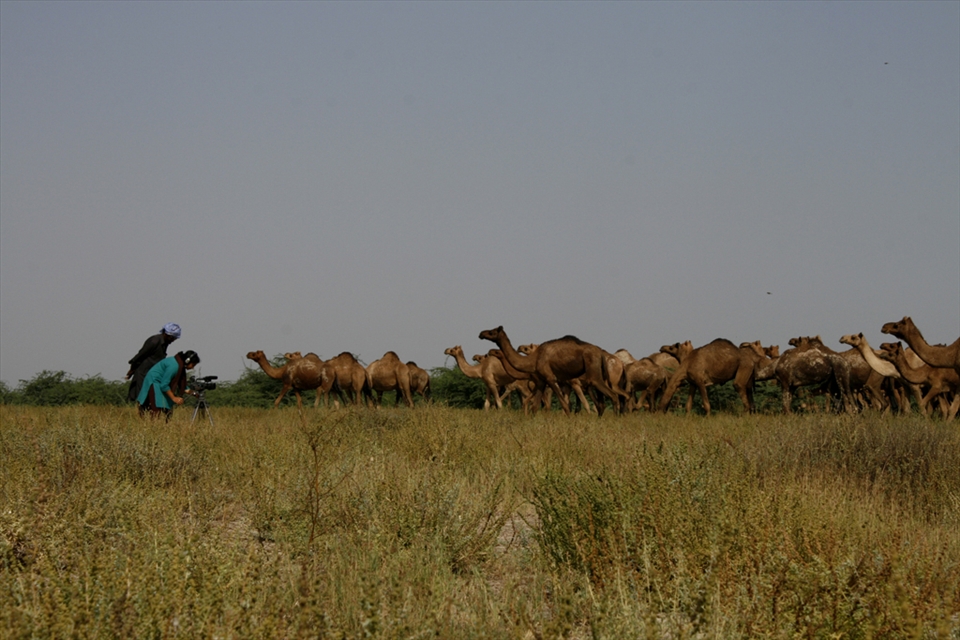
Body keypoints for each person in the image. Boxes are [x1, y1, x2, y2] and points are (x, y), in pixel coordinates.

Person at [137, 350, 201, 420]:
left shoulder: (179, 365)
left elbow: (184, 387)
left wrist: (194, 393)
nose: (192, 367)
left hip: (161, 384)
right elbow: (164, 385)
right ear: (187, 361)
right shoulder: (174, 366)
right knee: (156, 410)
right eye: (193, 365)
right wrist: (174, 398)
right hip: (154, 383)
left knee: (168, 411)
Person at [126, 323, 181, 402]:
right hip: (143, 372)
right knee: (139, 396)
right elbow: (140, 356)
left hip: (152, 374)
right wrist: (132, 369)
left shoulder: (165, 343)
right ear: (166, 334)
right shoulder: (154, 341)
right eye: (172, 338)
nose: (173, 340)